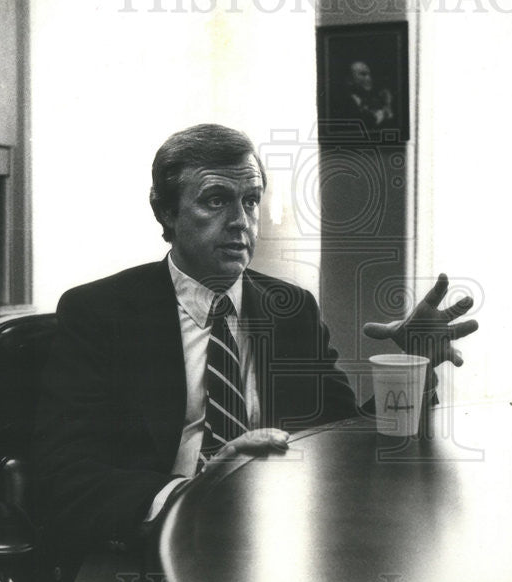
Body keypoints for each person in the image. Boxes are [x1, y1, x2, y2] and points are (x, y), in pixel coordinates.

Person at [34, 123, 477, 557]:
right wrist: (194, 492)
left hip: (275, 537)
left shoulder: (292, 309)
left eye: (250, 201)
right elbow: (68, 473)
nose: (240, 222)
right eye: (215, 201)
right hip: (153, 540)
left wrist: (413, 367)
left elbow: (342, 439)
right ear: (165, 212)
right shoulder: (100, 312)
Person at [337, 60, 395, 128]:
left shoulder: (373, 100)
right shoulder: (342, 103)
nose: (369, 78)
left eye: (369, 74)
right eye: (363, 74)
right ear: (349, 80)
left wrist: (387, 104)